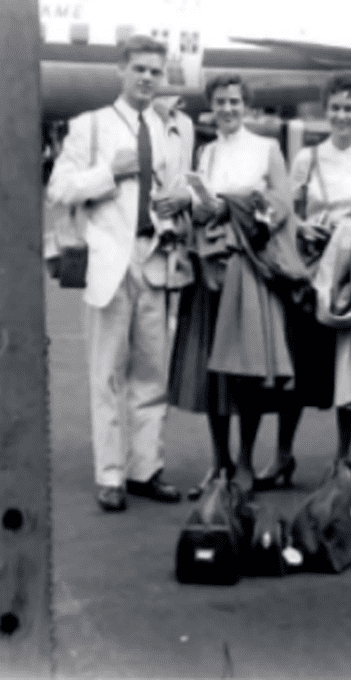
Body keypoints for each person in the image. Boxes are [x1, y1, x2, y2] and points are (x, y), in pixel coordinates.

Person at [47, 35, 183, 512]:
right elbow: (59, 188)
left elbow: (166, 190)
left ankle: (146, 468)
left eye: (155, 71)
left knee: (152, 373)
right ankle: (110, 474)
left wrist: (170, 214)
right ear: (120, 71)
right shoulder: (91, 125)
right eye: (139, 69)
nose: (147, 78)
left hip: (154, 256)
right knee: (106, 372)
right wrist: (110, 171)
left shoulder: (167, 129)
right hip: (109, 261)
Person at [256, 71, 351, 488]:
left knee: (350, 369)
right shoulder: (308, 159)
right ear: (326, 112)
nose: (342, 115)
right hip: (312, 276)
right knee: (298, 369)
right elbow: (287, 214)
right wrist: (305, 226)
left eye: (350, 108)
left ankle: (344, 459)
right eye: (335, 108)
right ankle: (282, 456)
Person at [167, 74, 306, 500]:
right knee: (213, 369)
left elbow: (281, 206)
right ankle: (219, 461)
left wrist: (231, 205)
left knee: (245, 370)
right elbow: (201, 206)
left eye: (235, 102)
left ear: (247, 106)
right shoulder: (206, 152)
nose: (227, 109)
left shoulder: (268, 149)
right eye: (221, 102)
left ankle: (245, 460)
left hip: (249, 268)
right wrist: (196, 207)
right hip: (210, 265)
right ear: (212, 106)